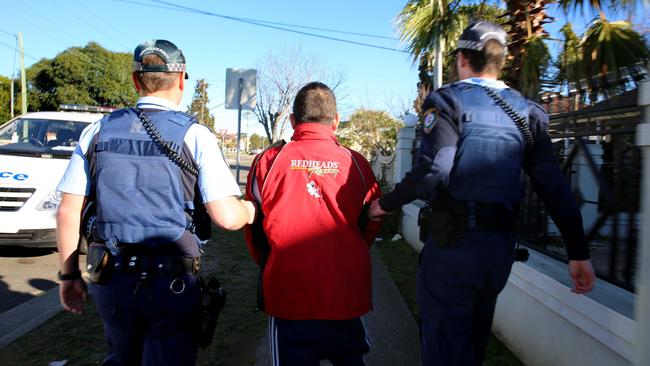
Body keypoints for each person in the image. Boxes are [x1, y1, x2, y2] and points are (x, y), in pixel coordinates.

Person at [368, 21, 596, 366]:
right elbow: (554, 186)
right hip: (498, 253)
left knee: (444, 344)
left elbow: (434, 170)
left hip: (453, 250)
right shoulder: (528, 112)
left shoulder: (447, 101)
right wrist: (578, 251)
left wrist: (382, 206)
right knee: (472, 343)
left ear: (461, 58)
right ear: (499, 61)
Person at [55, 39, 256, 366]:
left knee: (121, 356)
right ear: (181, 79)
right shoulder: (196, 136)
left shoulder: (96, 130)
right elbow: (227, 217)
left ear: (136, 80)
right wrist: (249, 209)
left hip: (111, 279)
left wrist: (68, 276)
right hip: (171, 285)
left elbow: (67, 211)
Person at [244, 82, 382, 366]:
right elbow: (370, 220)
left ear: (293, 120)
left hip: (289, 294)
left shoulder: (268, 161)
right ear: (336, 121)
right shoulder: (356, 162)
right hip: (345, 293)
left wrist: (269, 263)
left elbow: (254, 226)